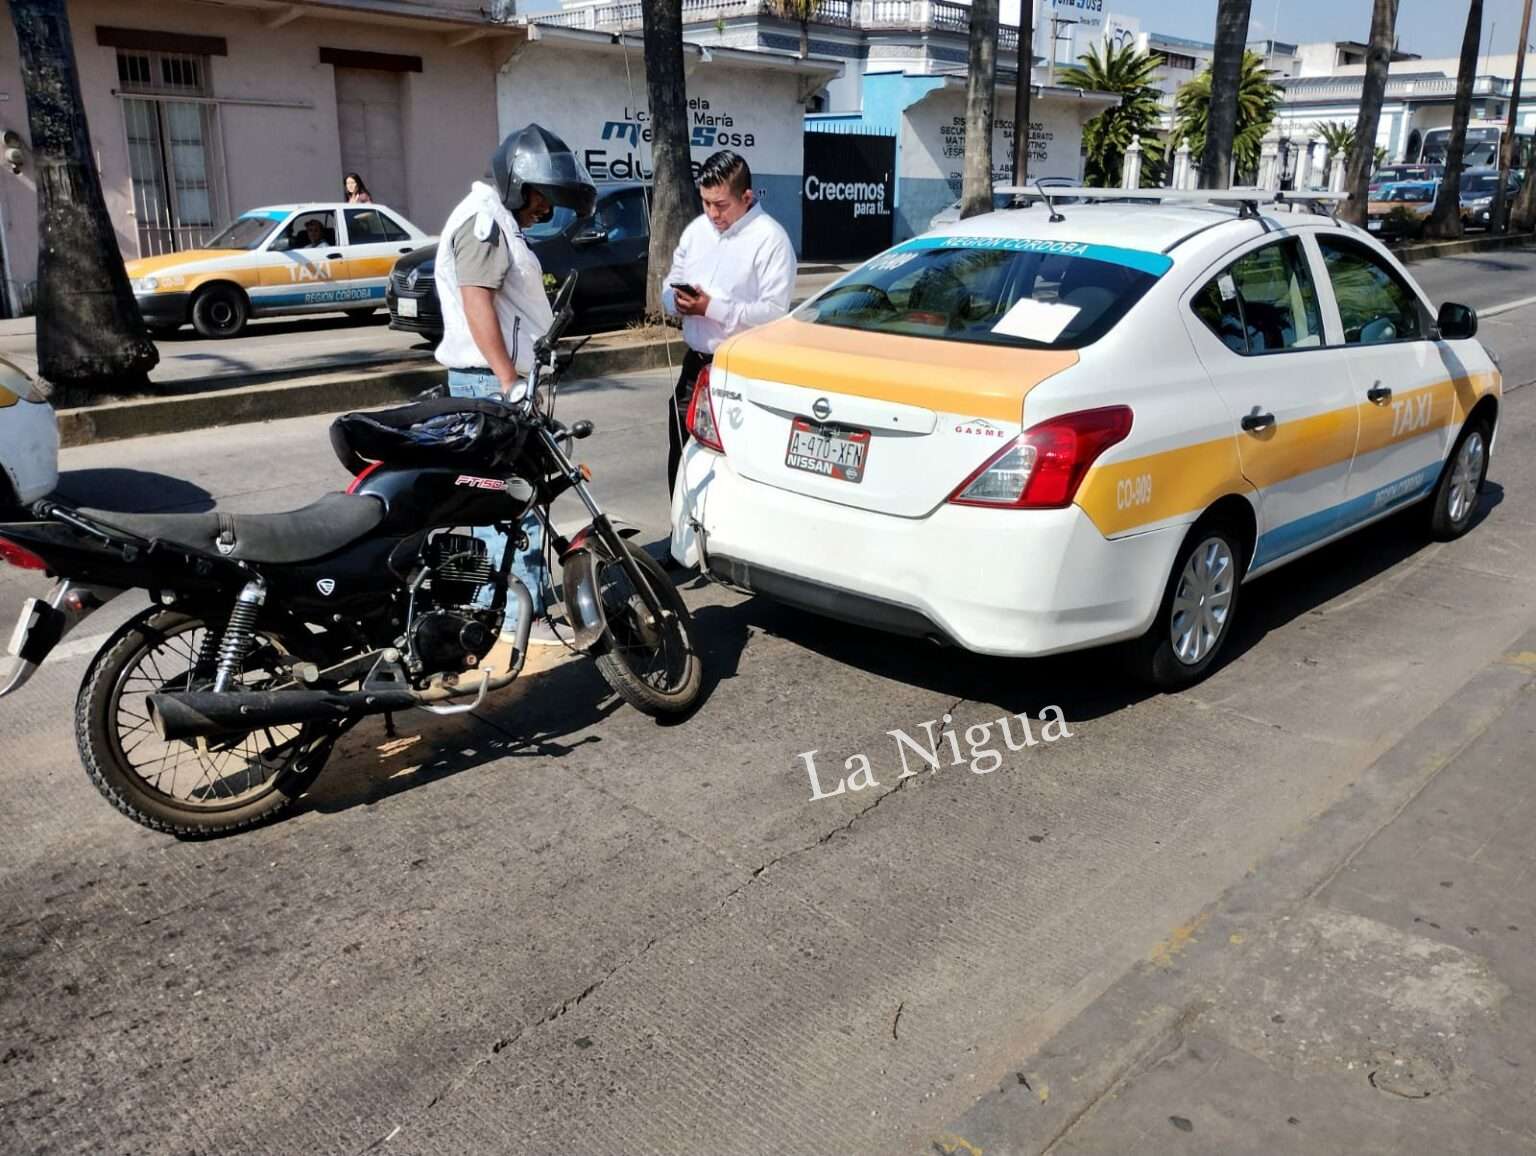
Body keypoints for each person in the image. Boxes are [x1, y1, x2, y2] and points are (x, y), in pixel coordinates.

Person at [434, 123, 597, 645]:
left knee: (509, 504)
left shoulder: (497, 219)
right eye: (541, 197)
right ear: (515, 183)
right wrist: (507, 380)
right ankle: (513, 618)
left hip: (497, 383)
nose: (545, 209)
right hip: (490, 385)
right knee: (510, 504)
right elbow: (476, 300)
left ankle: (507, 609)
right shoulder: (483, 221)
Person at [662, 149, 796, 497]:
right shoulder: (696, 231)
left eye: (720, 205)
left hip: (741, 370)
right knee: (681, 455)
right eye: (705, 202)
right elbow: (671, 279)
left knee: (730, 465)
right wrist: (675, 301)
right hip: (695, 366)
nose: (712, 213)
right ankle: (680, 542)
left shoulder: (771, 240)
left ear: (746, 196)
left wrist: (713, 308)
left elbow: (775, 313)